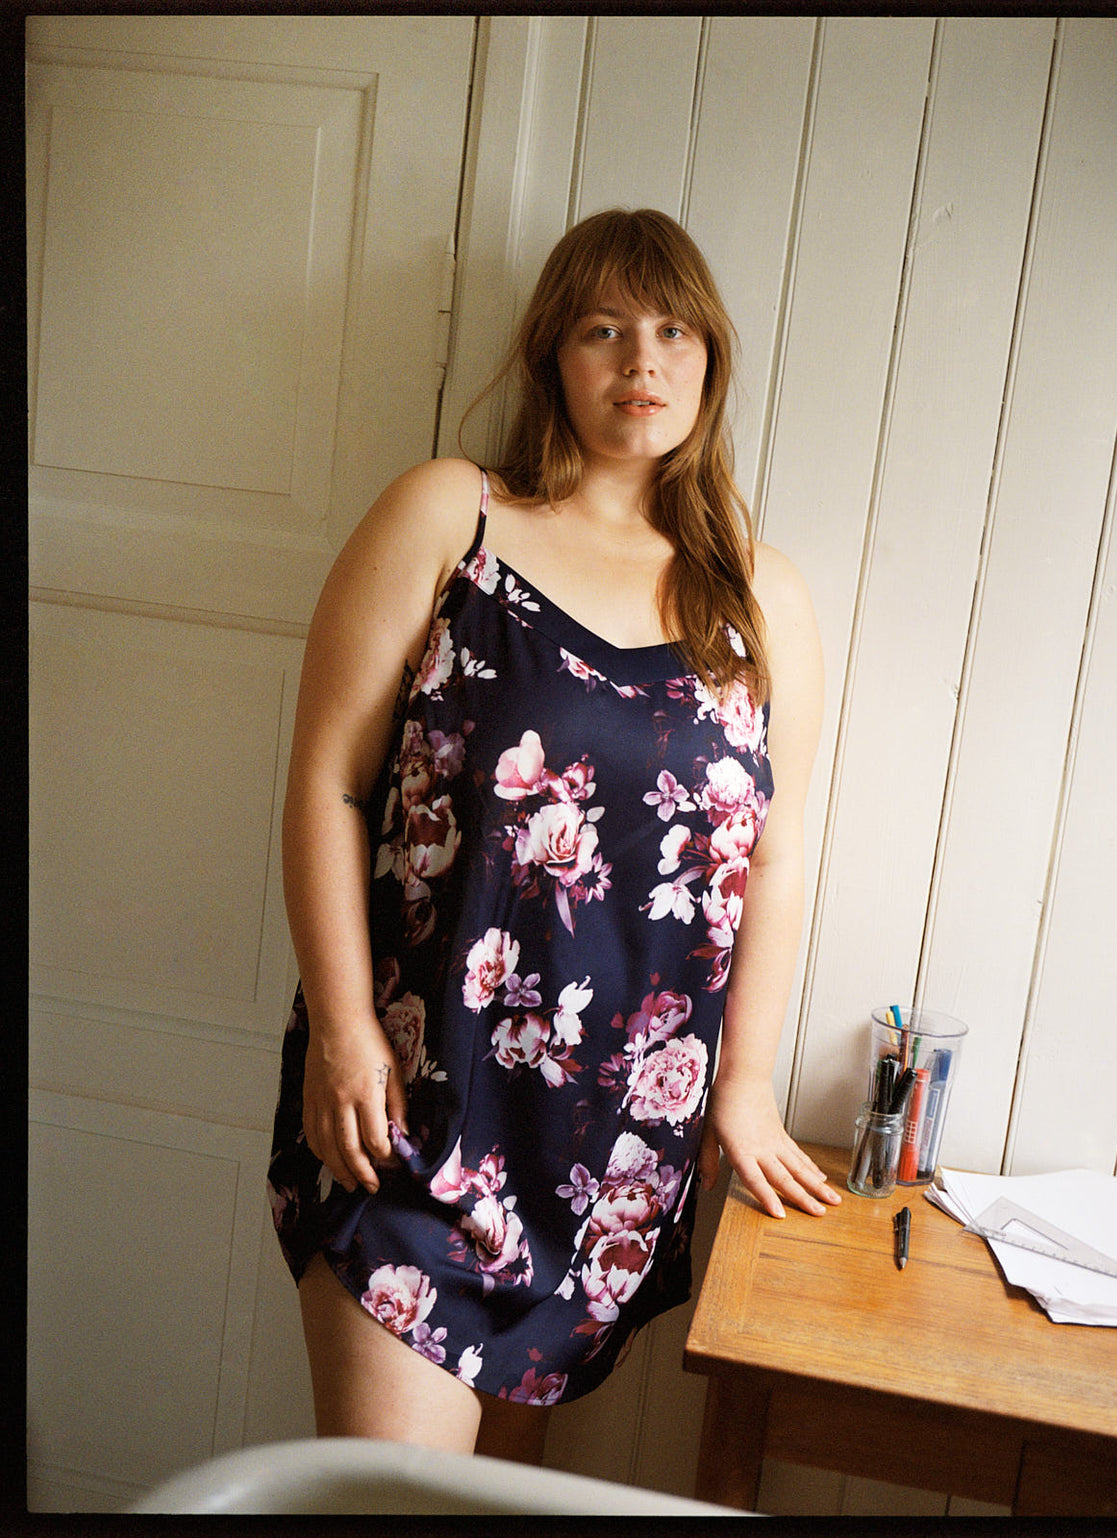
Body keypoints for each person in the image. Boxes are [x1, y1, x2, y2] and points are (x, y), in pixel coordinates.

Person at [267, 207, 839, 1467]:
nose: (643, 359)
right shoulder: (453, 517)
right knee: (394, 1504)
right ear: (551, 359)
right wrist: (345, 1024)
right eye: (603, 329)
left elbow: (775, 854)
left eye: (673, 331)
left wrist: (745, 1086)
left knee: (499, 1507)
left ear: (711, 358)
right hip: (414, 1113)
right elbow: (327, 782)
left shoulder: (760, 597)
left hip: (607, 1156)